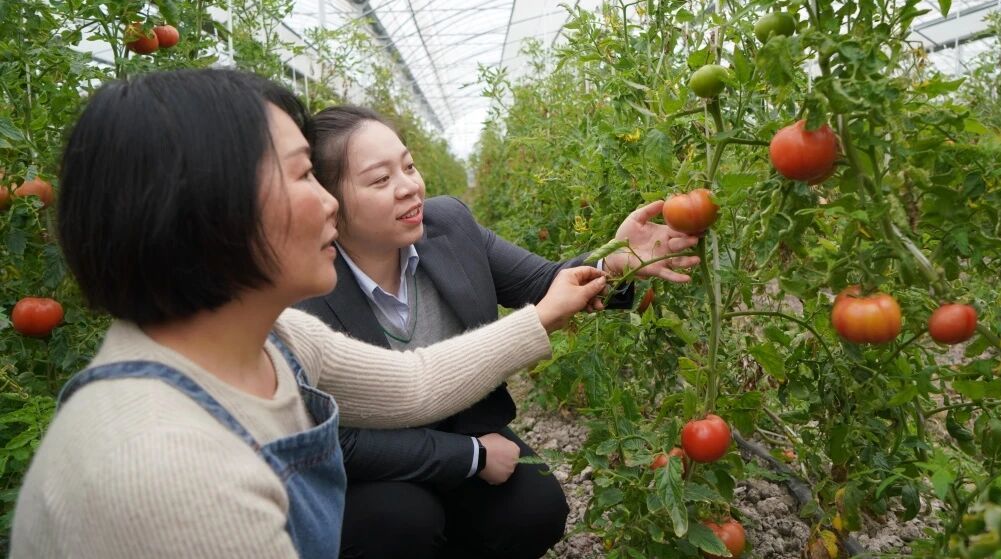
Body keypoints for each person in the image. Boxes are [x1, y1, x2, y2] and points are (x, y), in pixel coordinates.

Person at [8, 69, 610, 559]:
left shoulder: (277, 339)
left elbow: (417, 381)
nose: (330, 202)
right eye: (302, 175)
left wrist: (570, 296)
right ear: (215, 216)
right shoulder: (174, 479)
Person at [298, 105, 701, 559]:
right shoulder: (307, 287)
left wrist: (614, 260)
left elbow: (541, 282)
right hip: (372, 466)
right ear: (329, 202)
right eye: (380, 179)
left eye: (408, 166)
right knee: (398, 524)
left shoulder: (448, 225)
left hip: (463, 424)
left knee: (536, 510)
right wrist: (471, 457)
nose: (409, 185)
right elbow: (334, 438)